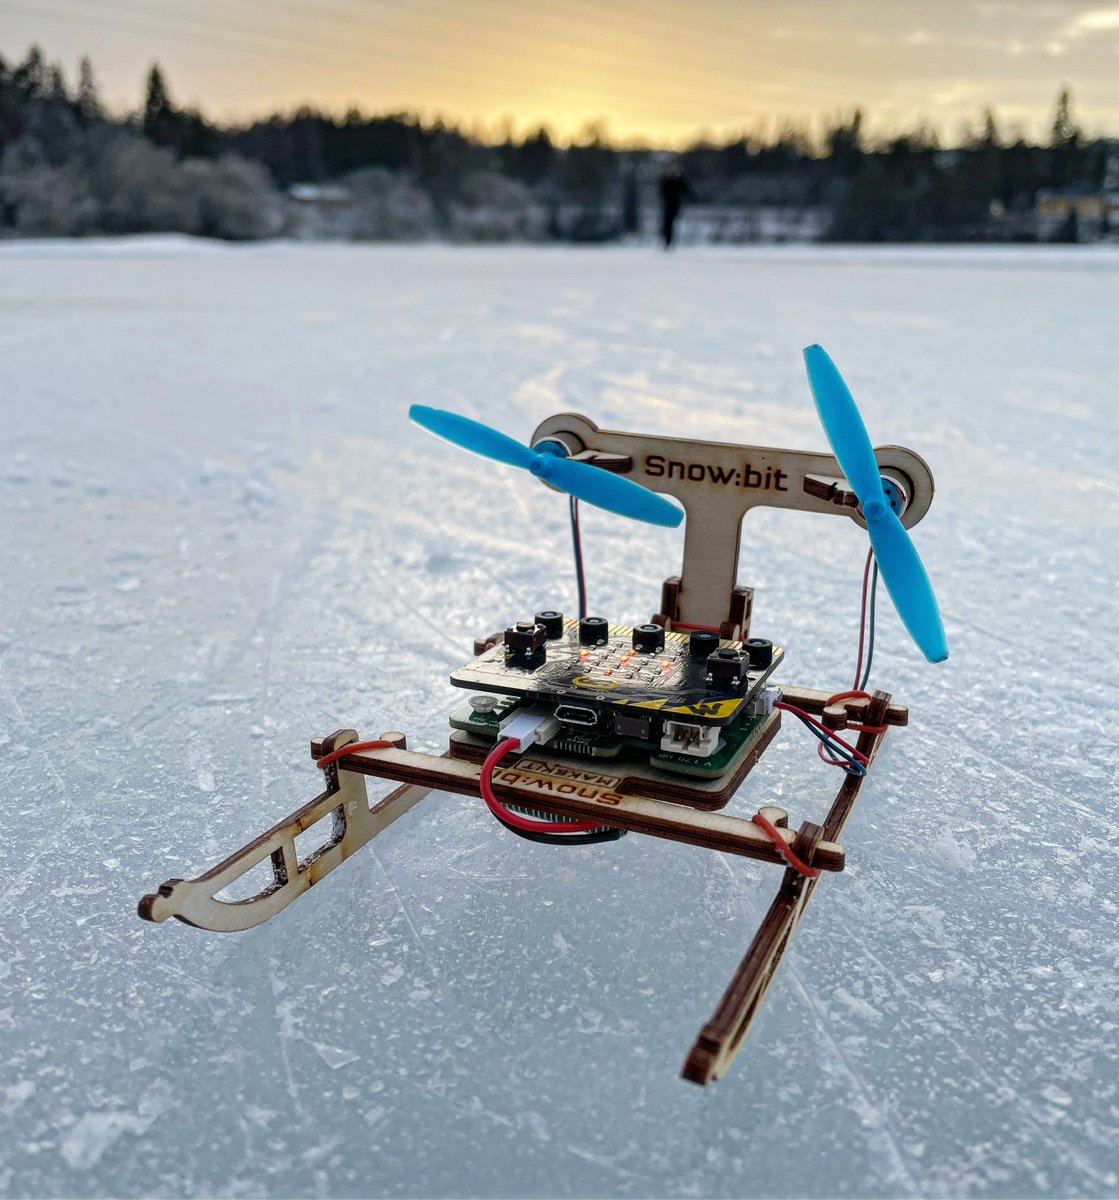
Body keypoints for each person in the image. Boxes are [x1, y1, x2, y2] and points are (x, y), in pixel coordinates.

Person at [659, 164, 695, 249]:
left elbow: (687, 191)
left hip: (675, 205)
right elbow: (662, 192)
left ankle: (669, 242)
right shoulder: (666, 181)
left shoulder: (679, 181)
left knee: (670, 224)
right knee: (667, 224)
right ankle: (667, 242)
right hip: (667, 206)